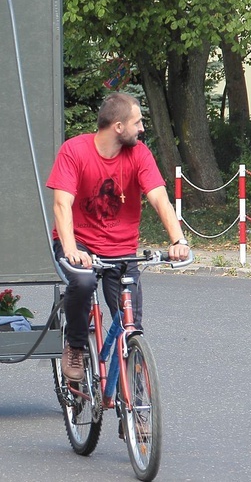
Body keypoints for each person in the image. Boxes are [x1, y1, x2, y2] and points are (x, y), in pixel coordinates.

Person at [46, 92, 190, 382]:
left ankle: (138, 411)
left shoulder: (139, 154)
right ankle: (75, 346)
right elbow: (62, 204)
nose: (142, 128)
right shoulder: (74, 151)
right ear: (118, 126)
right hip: (79, 243)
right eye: (137, 122)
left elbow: (159, 199)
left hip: (122, 251)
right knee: (83, 281)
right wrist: (72, 249)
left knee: (130, 328)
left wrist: (179, 241)